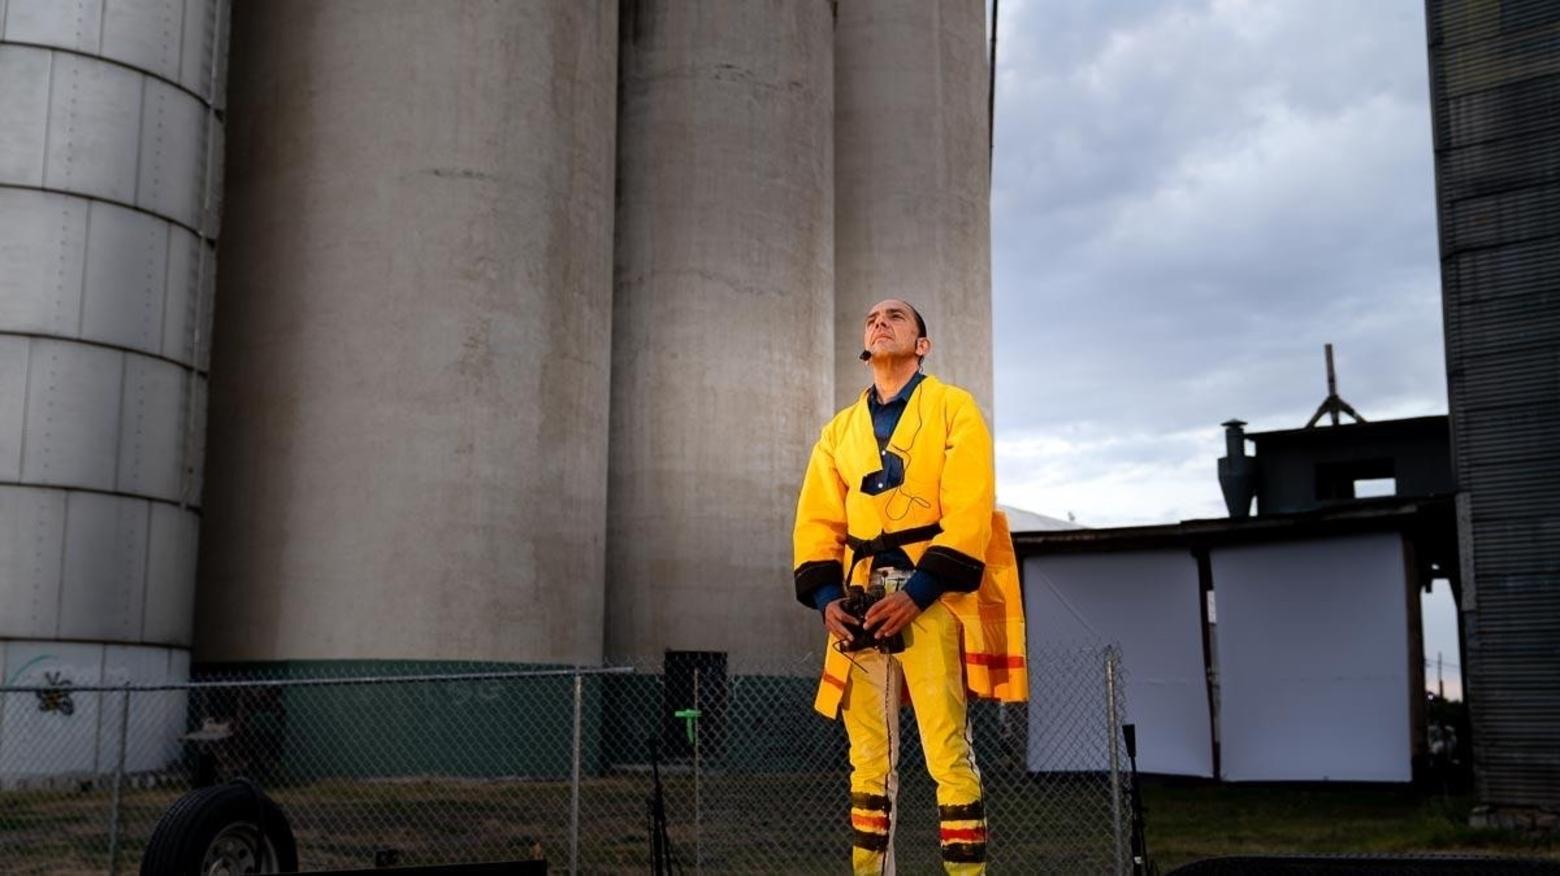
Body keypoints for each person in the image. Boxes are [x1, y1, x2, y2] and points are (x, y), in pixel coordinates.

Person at [793, 299, 1028, 875]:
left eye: (896, 316)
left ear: (921, 345)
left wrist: (919, 591)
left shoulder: (953, 408)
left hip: (931, 597)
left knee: (947, 750)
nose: (879, 321)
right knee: (867, 759)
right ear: (864, 346)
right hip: (857, 602)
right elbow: (817, 521)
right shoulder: (838, 431)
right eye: (871, 317)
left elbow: (971, 506)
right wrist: (827, 601)